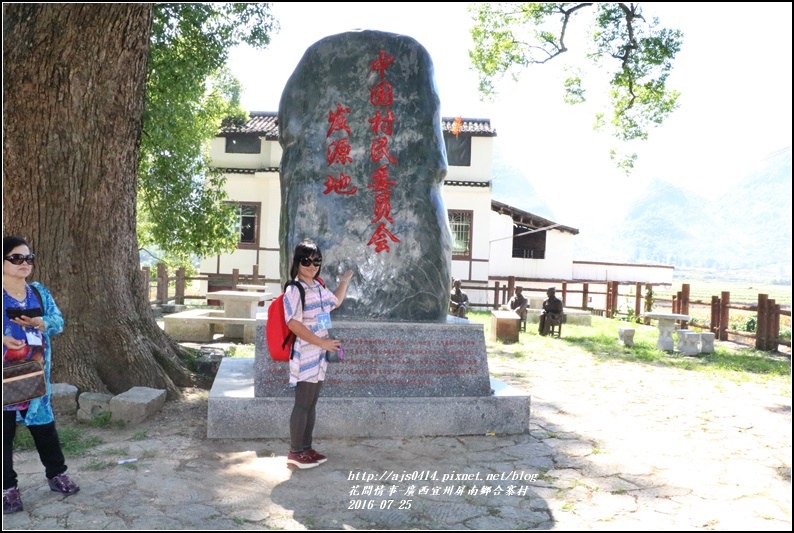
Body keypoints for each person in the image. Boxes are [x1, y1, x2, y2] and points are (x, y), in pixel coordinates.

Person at [3, 236, 79, 514]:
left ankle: (57, 474)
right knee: (4, 432)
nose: (25, 263)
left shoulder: (38, 292)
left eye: (29, 258)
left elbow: (58, 321)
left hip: (36, 375)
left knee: (43, 426)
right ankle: (7, 488)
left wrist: (40, 322)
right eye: (16, 258)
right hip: (4, 378)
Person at [284, 239, 353, 470]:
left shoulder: (318, 286)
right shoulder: (294, 289)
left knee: (311, 403)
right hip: (306, 353)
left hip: (320, 354)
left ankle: (306, 448)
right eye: (306, 261)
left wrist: (344, 281)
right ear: (297, 262)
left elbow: (335, 302)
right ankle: (295, 452)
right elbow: (293, 323)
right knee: (303, 403)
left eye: (316, 261)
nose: (312, 265)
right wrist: (321, 342)